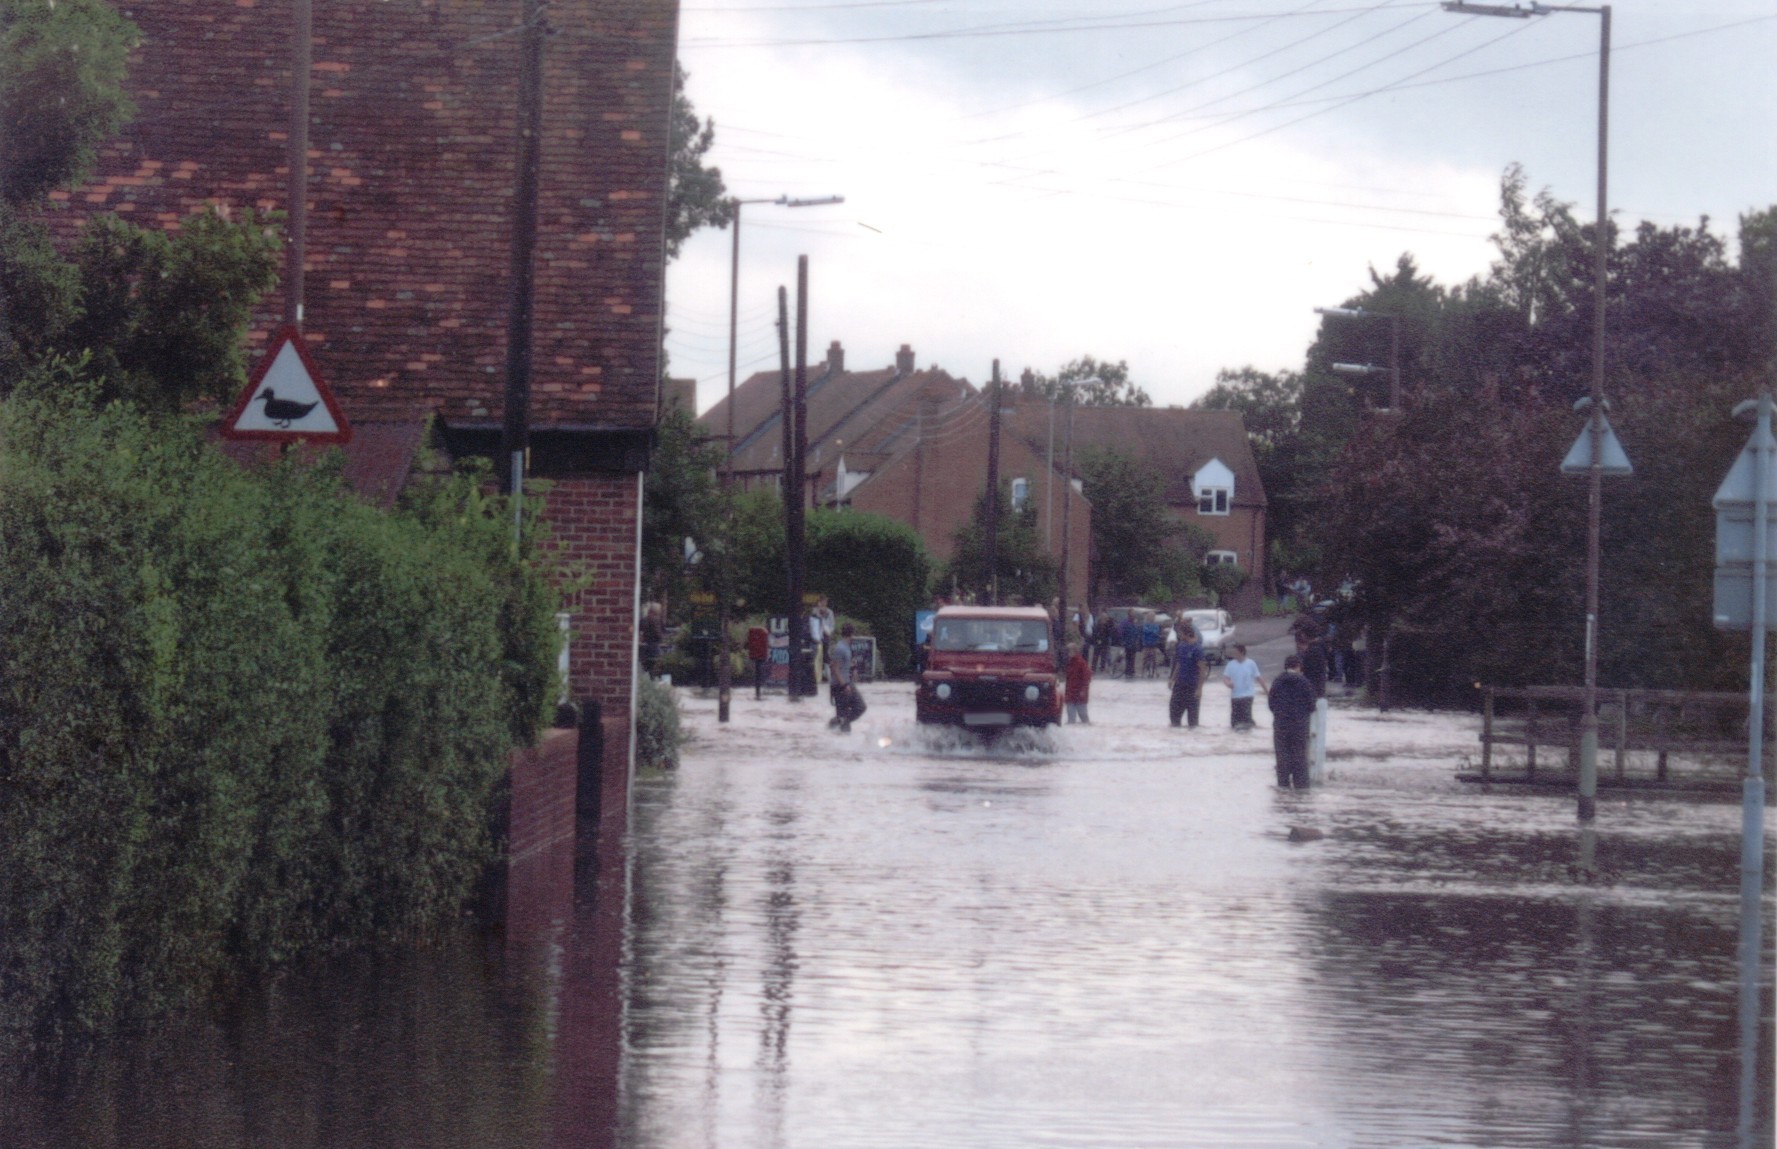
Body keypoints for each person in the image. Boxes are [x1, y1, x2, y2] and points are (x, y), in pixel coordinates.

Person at [1268, 653, 1316, 789]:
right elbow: (1312, 705)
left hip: (1281, 725)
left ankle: (1283, 786)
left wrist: (1280, 715)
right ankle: (1301, 789)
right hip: (1299, 726)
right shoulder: (1304, 682)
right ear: (1299, 666)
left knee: (1282, 756)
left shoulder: (1277, 681)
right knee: (1299, 757)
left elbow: (1271, 703)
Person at [1168, 622, 1208, 728]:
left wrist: (1199, 689)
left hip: (1192, 686)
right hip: (1179, 685)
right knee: (1174, 716)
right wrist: (1172, 679)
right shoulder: (1181, 646)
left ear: (1185, 633)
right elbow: (1179, 663)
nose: (1179, 636)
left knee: (1193, 721)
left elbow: (1202, 670)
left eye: (1180, 633)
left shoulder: (1197, 649)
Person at [827, 623, 864, 733]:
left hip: (848, 682)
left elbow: (845, 663)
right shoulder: (840, 648)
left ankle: (839, 722)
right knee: (843, 714)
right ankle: (839, 725)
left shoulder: (847, 647)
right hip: (840, 685)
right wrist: (844, 685)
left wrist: (853, 669)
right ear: (852, 634)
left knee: (860, 707)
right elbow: (834, 668)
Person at [1221, 643, 1266, 731]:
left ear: (1241, 652)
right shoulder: (1231, 664)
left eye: (1235, 652)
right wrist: (1228, 684)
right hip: (1235, 697)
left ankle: (1250, 734)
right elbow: (1225, 678)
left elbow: (1259, 678)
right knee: (1234, 722)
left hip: (1247, 696)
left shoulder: (1251, 663)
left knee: (1246, 720)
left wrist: (1267, 691)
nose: (1233, 654)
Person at [1064, 642, 1092, 725]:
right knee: (1071, 718)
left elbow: (1087, 677)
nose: (1067, 653)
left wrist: (1083, 690)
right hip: (1071, 693)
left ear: (1074, 651)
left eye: (1068, 651)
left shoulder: (1081, 663)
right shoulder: (1069, 663)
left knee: (1083, 716)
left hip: (1079, 694)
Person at [810, 596, 836, 684]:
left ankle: (828, 677)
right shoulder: (814, 611)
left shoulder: (830, 612)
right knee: (815, 655)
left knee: (826, 656)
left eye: (825, 602)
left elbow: (832, 625)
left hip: (825, 636)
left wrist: (828, 631)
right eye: (822, 602)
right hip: (816, 636)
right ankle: (815, 676)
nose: (823, 604)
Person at [638, 602, 665, 679]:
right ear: (656, 611)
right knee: (655, 666)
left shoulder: (643, 620)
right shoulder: (656, 620)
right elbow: (658, 633)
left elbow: (640, 632)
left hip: (644, 647)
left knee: (645, 667)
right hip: (654, 646)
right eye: (660, 610)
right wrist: (663, 639)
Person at [745, 624, 771, 699]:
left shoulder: (755, 633)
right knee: (759, 673)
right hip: (761, 656)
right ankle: (758, 693)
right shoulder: (763, 633)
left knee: (758, 673)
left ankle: (758, 693)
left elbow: (748, 644)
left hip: (757, 655)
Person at [1121, 612, 1141, 680]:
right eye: (1133, 616)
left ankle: (1131, 671)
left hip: (1133, 643)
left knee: (1132, 658)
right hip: (1128, 643)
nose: (1134, 617)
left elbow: (1136, 632)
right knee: (1129, 658)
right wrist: (1124, 641)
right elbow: (1122, 632)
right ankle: (1128, 671)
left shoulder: (1134, 623)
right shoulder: (1126, 623)